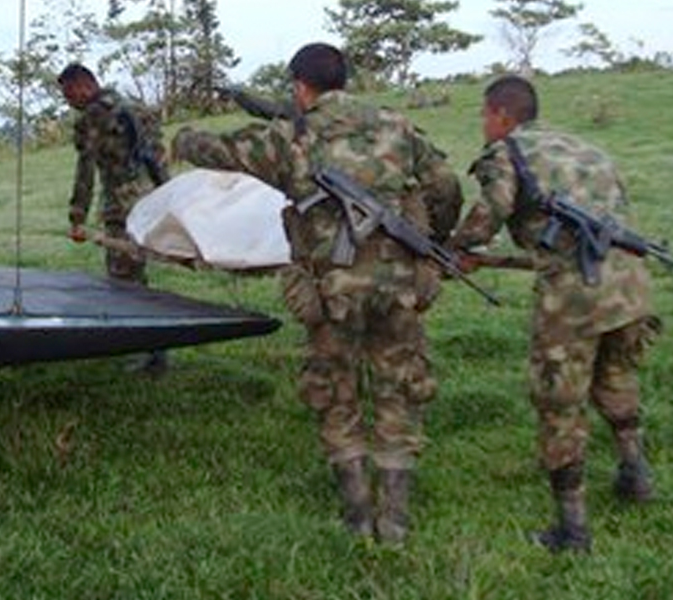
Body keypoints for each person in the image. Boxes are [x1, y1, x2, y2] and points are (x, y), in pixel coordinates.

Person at [171, 43, 463, 544]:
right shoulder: (397, 126)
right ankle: (393, 519)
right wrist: (431, 241)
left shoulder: (291, 136)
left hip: (331, 291)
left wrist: (184, 137)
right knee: (399, 391)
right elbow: (446, 186)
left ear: (300, 86)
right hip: (399, 287)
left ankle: (355, 513)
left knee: (334, 392)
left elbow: (219, 153)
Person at [448, 74, 660, 553]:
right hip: (629, 285)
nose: (483, 124)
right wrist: (491, 260)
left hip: (573, 300)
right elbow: (575, 238)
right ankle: (636, 476)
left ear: (501, 114)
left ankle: (572, 530)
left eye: (484, 114)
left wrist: (455, 245)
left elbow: (493, 210)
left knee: (559, 404)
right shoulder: (584, 149)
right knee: (616, 377)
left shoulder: (506, 152)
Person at [57, 63, 170, 375]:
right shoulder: (134, 105)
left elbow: (85, 171)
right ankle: (150, 347)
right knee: (135, 275)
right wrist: (167, 195)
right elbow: (159, 154)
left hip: (123, 208)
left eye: (69, 95)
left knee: (125, 281)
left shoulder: (92, 117)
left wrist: (77, 216)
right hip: (150, 199)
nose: (70, 102)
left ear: (84, 85)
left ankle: (153, 353)